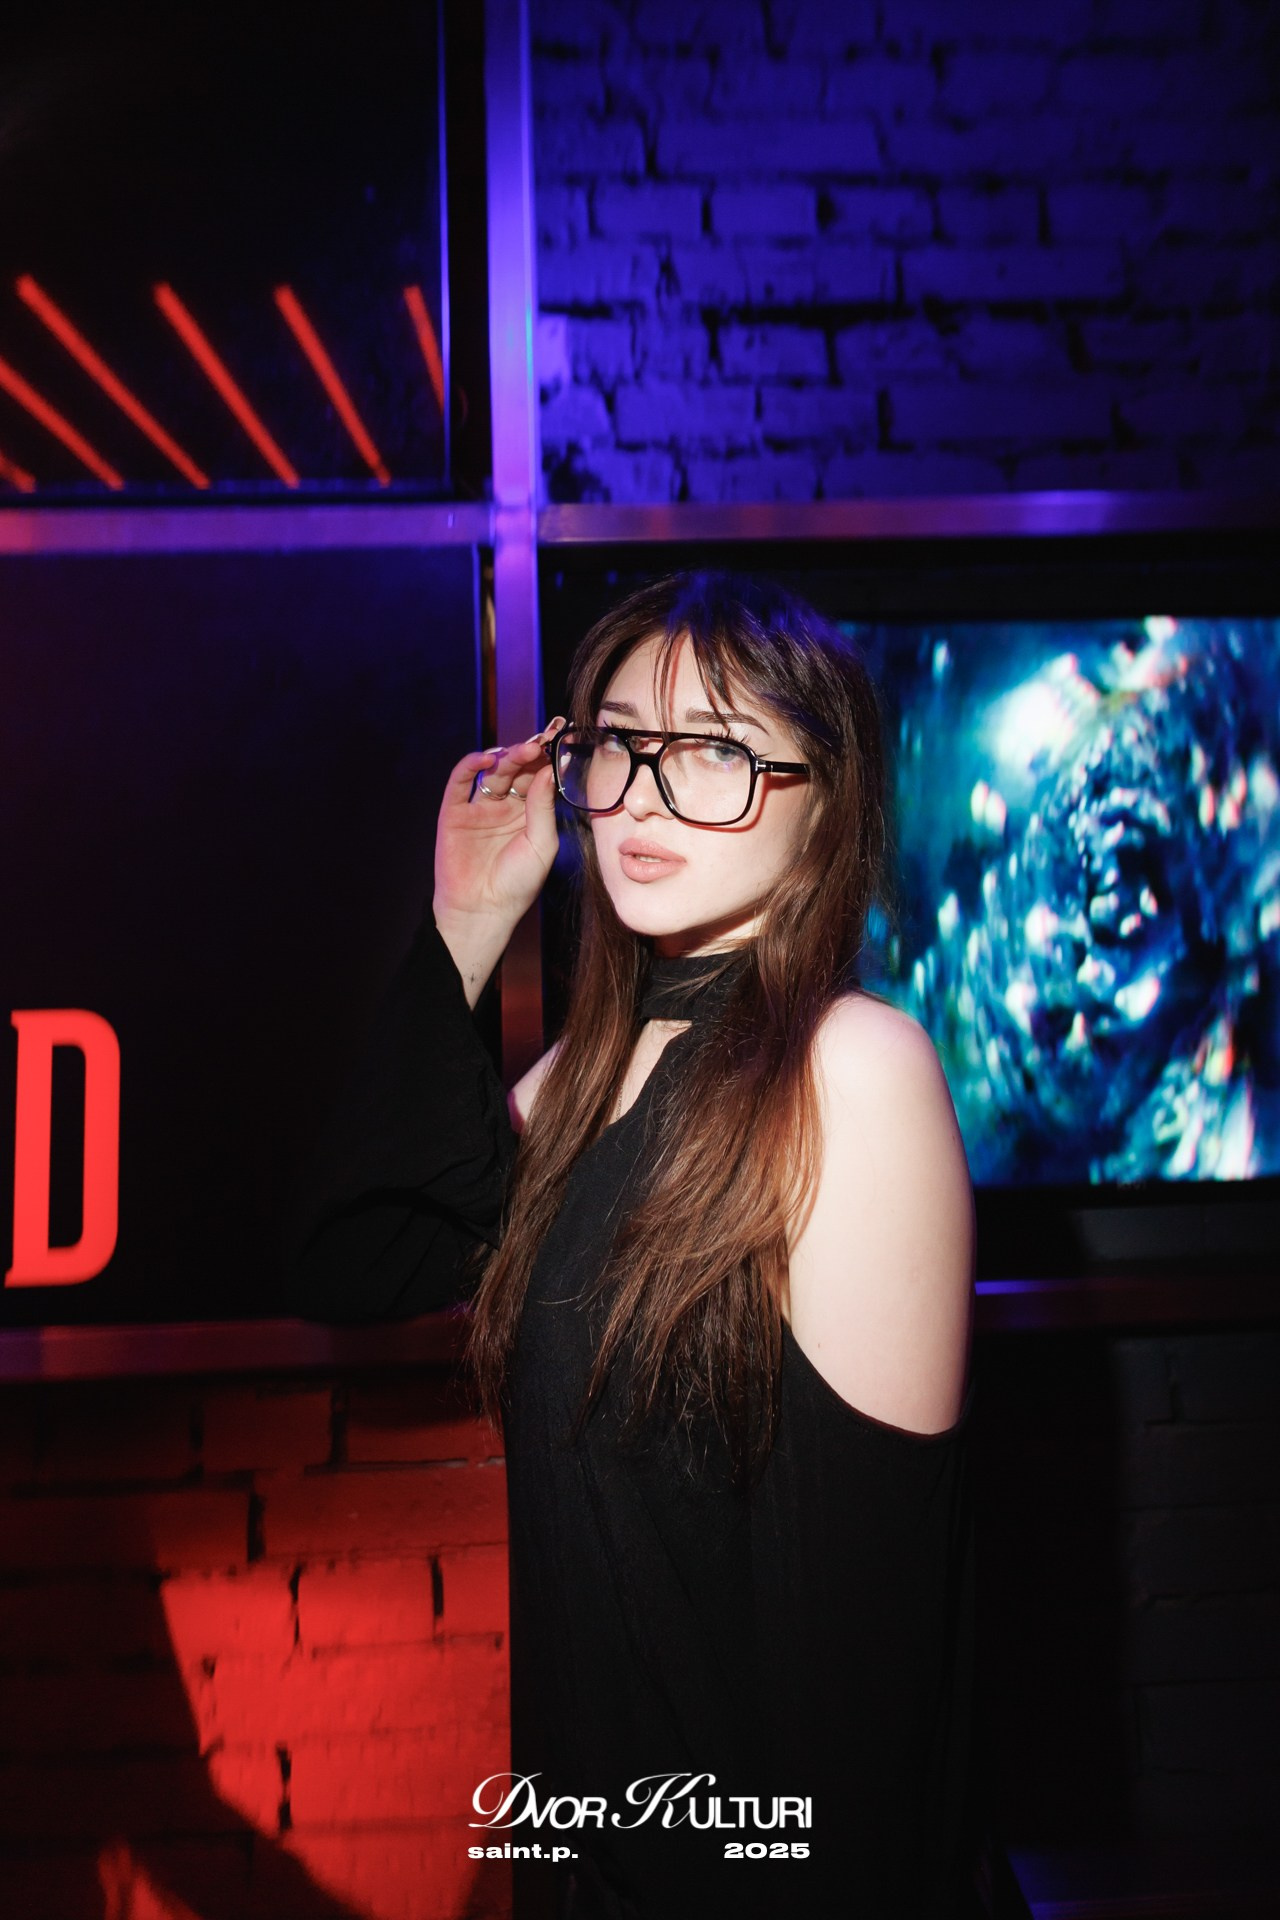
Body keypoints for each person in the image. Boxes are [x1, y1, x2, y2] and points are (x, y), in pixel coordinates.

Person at [286, 572, 1030, 1920]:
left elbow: (873, 1660)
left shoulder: (850, 1070)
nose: (643, 794)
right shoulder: (593, 1069)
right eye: (623, 742)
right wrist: (468, 921)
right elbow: (359, 1261)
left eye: (713, 752)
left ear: (825, 804)